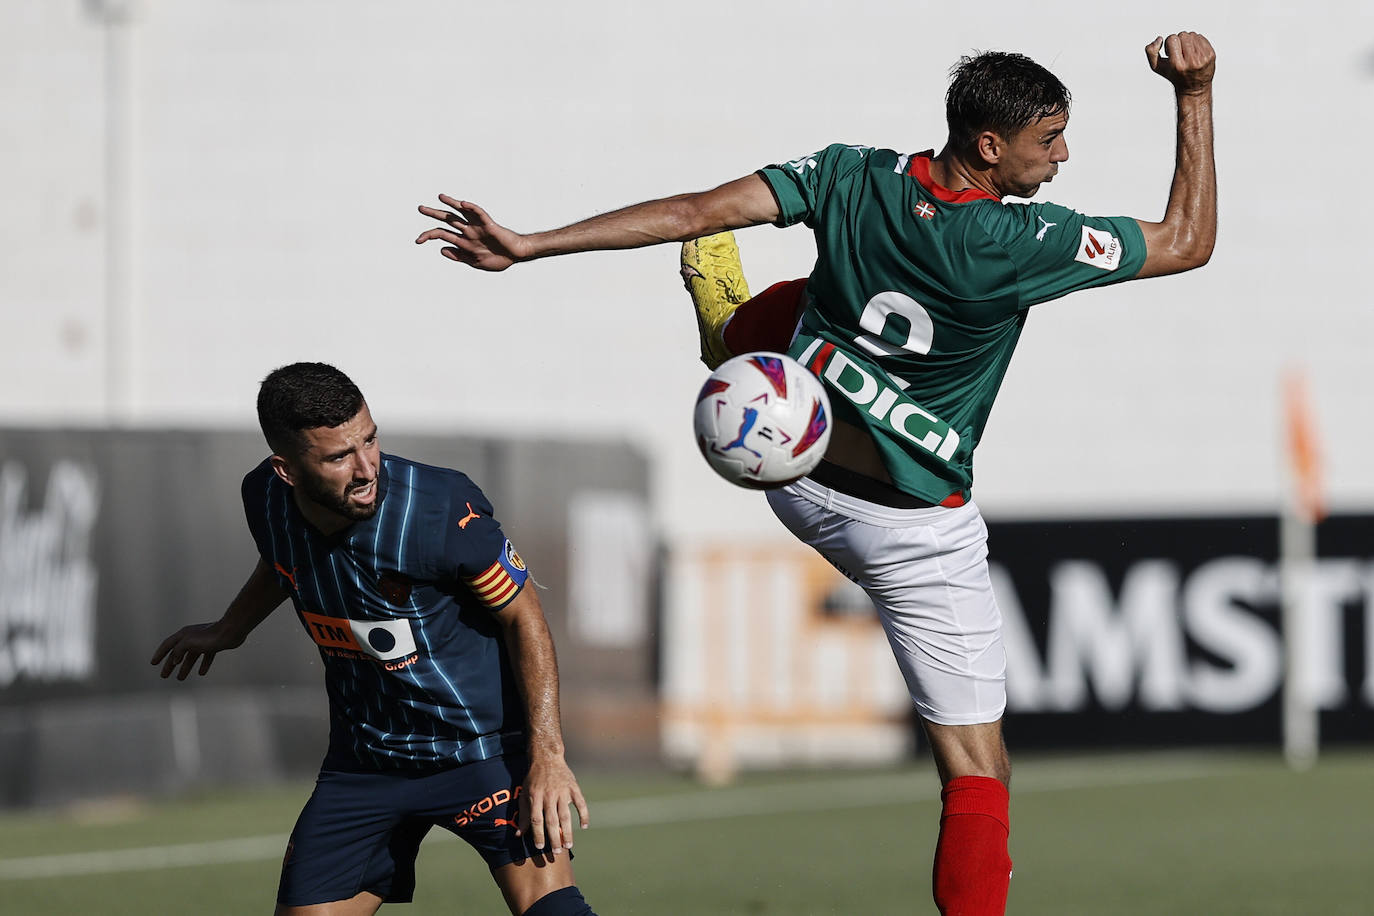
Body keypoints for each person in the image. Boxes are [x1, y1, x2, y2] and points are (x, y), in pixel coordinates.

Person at [415, 32, 1216, 916]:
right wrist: (1196, 93)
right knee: (979, 771)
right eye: (1049, 140)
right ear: (991, 148)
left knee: (815, 318)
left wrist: (532, 244)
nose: (1063, 156)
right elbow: (1187, 240)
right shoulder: (1025, 239)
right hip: (912, 522)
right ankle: (732, 336)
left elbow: (691, 212)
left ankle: (731, 333)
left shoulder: (851, 175)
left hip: (796, 478)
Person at [151, 362, 598, 916]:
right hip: (366, 761)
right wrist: (231, 628)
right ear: (286, 470)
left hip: (481, 750)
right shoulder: (264, 497)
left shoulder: (439, 509)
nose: (367, 468)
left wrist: (547, 755)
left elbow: (524, 616)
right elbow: (283, 558)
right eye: (339, 456)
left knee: (552, 909)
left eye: (370, 440)